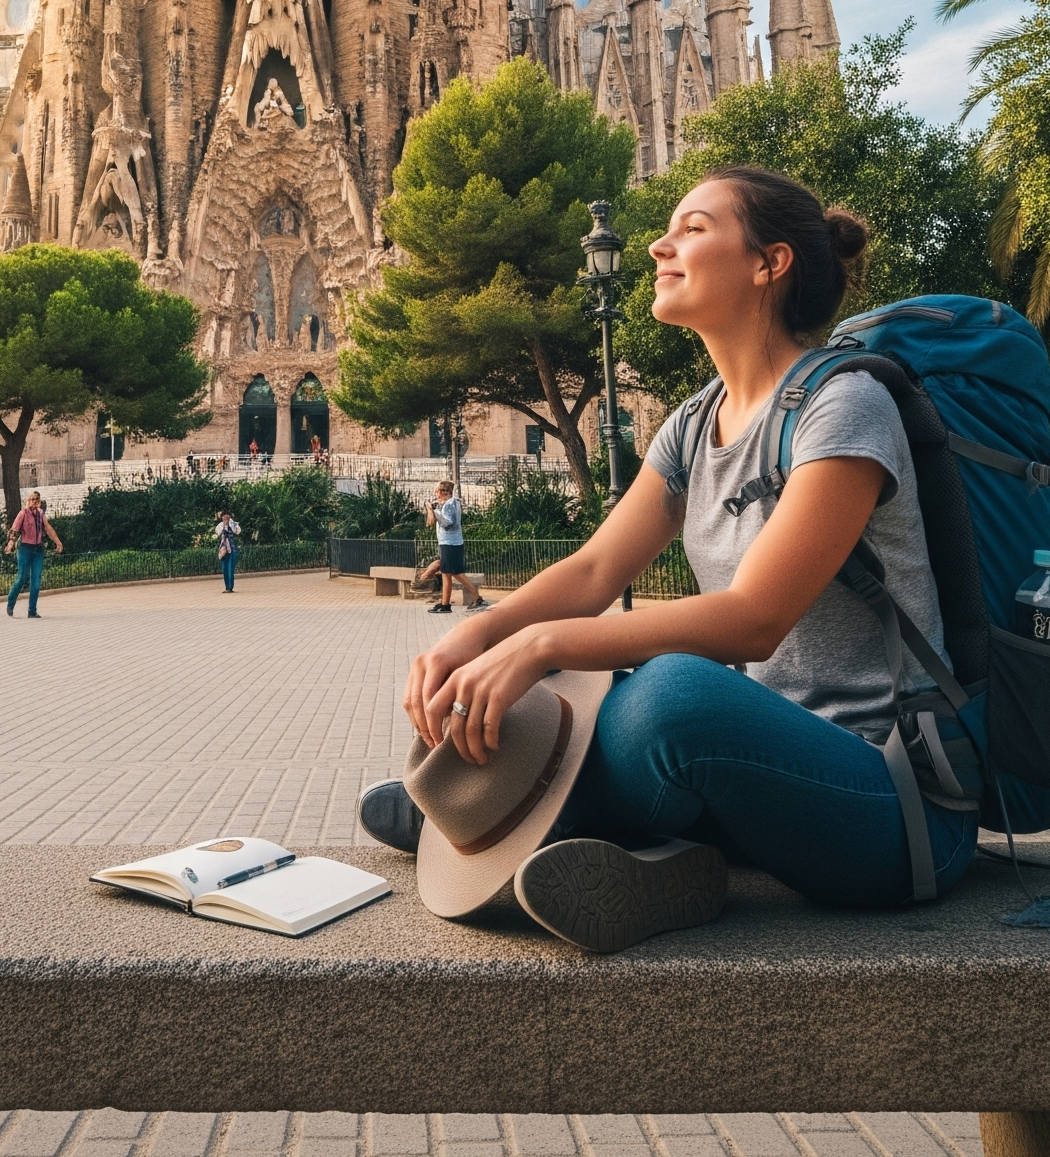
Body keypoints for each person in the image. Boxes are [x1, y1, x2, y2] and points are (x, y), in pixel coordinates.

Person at [359, 166, 976, 955]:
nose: (659, 243)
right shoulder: (694, 423)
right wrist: (477, 633)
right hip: (762, 785)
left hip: (891, 801)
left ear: (769, 262)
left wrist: (538, 646)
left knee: (670, 694)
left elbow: (753, 620)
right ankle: (657, 867)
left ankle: (504, 815)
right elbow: (591, 574)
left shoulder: (844, 405)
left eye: (692, 227)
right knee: (586, 685)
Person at [4, 491, 63, 617]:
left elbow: (48, 529)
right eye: (32, 499)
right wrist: (10, 544)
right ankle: (11, 602)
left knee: (36, 581)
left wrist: (58, 542)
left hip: (38, 549)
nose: (34, 502)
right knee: (21, 578)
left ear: (39, 502)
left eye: (36, 500)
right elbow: (14, 530)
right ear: (28, 501)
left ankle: (32, 611)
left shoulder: (41, 514)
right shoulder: (23, 514)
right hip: (25, 548)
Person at [425, 480, 476, 614]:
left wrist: (435, 512)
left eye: (438, 492)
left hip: (450, 543)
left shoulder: (451, 504)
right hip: (448, 542)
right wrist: (438, 509)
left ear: (444, 492)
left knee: (452, 573)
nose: (436, 495)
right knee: (447, 572)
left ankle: (475, 596)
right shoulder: (449, 504)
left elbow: (449, 523)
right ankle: (445, 603)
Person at [214, 506, 242, 593]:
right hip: (223, 550)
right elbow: (217, 534)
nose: (226, 518)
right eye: (224, 516)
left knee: (230, 569)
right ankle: (227, 587)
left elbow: (237, 532)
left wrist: (229, 525)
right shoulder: (220, 526)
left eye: (227, 516)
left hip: (231, 550)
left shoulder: (234, 525)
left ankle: (230, 587)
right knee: (225, 569)